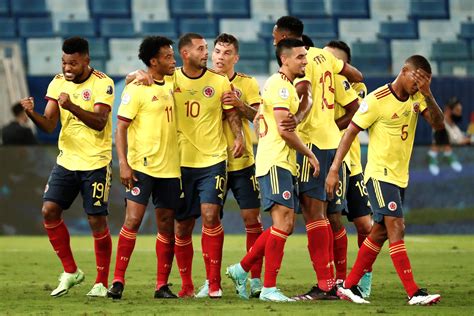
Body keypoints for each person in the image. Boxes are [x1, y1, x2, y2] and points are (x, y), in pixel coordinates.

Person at [125, 33, 245, 298]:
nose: (207, 53)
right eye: (201, 49)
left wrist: (239, 136)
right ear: (186, 54)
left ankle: (214, 284)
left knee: (211, 216)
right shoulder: (171, 78)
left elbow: (231, 113)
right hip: (178, 164)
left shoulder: (219, 80)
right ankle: (187, 285)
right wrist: (134, 75)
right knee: (182, 226)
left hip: (213, 160)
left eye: (206, 48)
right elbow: (139, 78)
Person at [326, 55, 443, 305]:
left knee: (378, 233)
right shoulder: (377, 100)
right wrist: (335, 169)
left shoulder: (418, 98)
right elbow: (350, 132)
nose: (418, 85)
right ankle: (413, 292)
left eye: (424, 82)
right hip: (379, 175)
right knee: (396, 227)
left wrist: (428, 94)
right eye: (417, 79)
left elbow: (438, 124)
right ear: (404, 71)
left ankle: (348, 287)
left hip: (400, 178)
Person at [271, 16, 364, 300]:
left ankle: (325, 285)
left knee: (315, 216)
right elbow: (357, 75)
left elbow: (307, 94)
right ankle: (339, 283)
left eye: (275, 35)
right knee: (330, 217)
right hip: (332, 144)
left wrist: (297, 119)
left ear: (284, 36)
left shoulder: (299, 60)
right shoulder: (324, 56)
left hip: (311, 145)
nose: (274, 39)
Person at [226, 38, 320, 302]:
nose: (304, 61)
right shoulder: (280, 86)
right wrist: (310, 155)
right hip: (275, 162)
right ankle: (268, 288)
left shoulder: (282, 85)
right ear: (285, 59)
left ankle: (241, 269)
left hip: (280, 162)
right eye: (300, 57)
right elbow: (284, 130)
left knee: (285, 225)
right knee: (284, 224)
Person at [20, 37, 114, 297]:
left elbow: (100, 122)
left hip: (95, 162)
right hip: (66, 161)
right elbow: (50, 124)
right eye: (64, 62)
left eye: (73, 62)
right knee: (49, 211)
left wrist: (71, 105)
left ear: (86, 60)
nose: (67, 67)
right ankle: (71, 271)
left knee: (96, 220)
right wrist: (31, 113)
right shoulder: (57, 82)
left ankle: (101, 282)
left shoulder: (102, 83)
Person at [106, 36, 180, 300]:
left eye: (173, 56)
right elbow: (121, 128)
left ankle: (162, 285)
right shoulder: (136, 88)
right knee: (133, 220)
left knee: (166, 225)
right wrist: (124, 164)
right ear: (153, 61)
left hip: (171, 169)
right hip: (141, 168)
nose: (173, 61)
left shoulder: (173, 81)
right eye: (168, 57)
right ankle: (117, 281)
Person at [192, 33, 263, 298]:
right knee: (209, 220)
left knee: (252, 220)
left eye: (226, 53)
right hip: (211, 162)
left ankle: (254, 279)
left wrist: (239, 103)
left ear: (236, 57)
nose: (220, 57)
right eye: (217, 52)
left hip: (242, 162)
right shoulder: (204, 80)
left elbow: (259, 117)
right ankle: (211, 281)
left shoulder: (247, 83)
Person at [323, 40, 373, 298]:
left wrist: (328, 126)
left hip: (352, 164)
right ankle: (337, 279)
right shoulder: (322, 85)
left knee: (365, 225)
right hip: (331, 161)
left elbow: (356, 120)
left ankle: (364, 277)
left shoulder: (358, 88)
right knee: (332, 220)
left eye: (334, 60)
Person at [427, 97, 468, 174]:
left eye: (460, 111)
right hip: (441, 153)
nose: (459, 113)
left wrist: (468, 138)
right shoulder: (440, 123)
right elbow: (455, 141)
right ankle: (434, 157)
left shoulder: (455, 127)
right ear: (448, 110)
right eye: (457, 110)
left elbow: (460, 138)